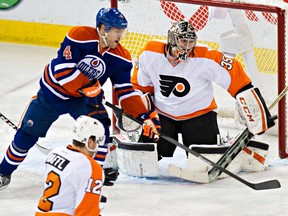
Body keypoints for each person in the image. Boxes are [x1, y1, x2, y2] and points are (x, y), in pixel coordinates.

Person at [0, 7, 161, 190]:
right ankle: (3, 172)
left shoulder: (121, 57)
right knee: (26, 136)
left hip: (82, 101)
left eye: (122, 31)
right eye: (117, 31)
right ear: (103, 29)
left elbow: (126, 91)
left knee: (100, 131)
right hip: (52, 94)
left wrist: (143, 117)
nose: (120, 36)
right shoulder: (79, 36)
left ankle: (94, 178)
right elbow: (62, 73)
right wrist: (88, 88)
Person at [131, 20, 275, 161]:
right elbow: (141, 87)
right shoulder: (150, 53)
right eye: (183, 41)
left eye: (191, 42)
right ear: (172, 40)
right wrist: (142, 113)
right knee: (147, 153)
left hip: (199, 116)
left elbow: (233, 73)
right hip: (163, 116)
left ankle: (228, 148)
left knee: (205, 160)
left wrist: (253, 105)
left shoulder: (205, 56)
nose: (187, 46)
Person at [35, 115, 105, 215]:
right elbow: (87, 212)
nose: (97, 147)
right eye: (97, 141)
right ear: (89, 142)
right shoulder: (91, 167)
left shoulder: (55, 152)